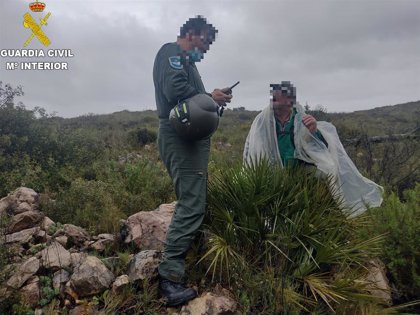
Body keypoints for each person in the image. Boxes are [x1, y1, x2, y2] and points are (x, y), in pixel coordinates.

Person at [153, 16, 232, 306]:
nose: (206, 49)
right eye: (205, 42)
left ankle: (185, 254)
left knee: (192, 197)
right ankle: (169, 278)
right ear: (192, 34)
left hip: (190, 138)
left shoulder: (189, 62)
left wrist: (212, 99)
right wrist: (208, 95)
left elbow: (193, 100)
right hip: (180, 137)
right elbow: (175, 91)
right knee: (192, 202)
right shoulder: (172, 53)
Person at [243, 81, 383, 216]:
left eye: (277, 95)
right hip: (273, 172)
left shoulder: (301, 119)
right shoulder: (263, 121)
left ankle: (328, 214)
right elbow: (254, 146)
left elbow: (319, 146)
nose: (273, 98)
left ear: (288, 100)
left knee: (325, 175)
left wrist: (313, 130)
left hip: (299, 169)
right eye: (272, 95)